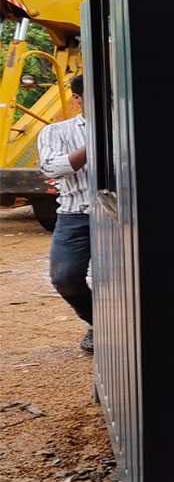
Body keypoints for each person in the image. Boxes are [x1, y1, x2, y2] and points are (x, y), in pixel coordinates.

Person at [37, 74, 93, 354]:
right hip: (76, 215)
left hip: (123, 215)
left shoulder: (129, 129)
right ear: (77, 99)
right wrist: (96, 143)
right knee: (65, 277)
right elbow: (51, 168)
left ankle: (134, 328)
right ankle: (98, 323)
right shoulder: (56, 132)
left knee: (130, 278)